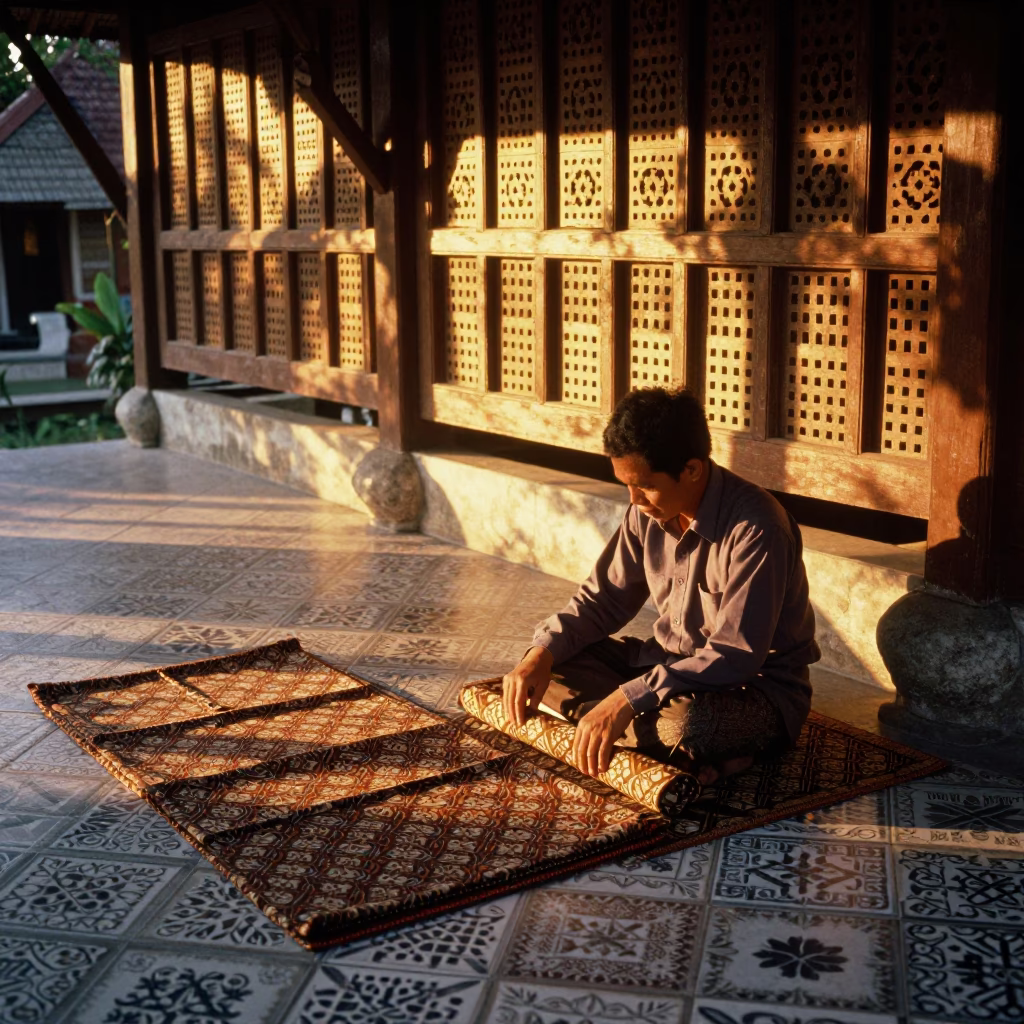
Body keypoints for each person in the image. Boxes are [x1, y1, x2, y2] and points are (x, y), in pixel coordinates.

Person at [502, 386, 820, 786]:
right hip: (666, 667)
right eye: (626, 486)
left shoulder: (758, 528)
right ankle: (671, 749)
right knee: (552, 665)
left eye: (645, 485)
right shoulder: (646, 510)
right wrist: (541, 654)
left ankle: (653, 738)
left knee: (688, 725)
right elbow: (601, 601)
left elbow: (735, 655)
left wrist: (628, 697)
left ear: (692, 469)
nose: (634, 500)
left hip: (751, 690)